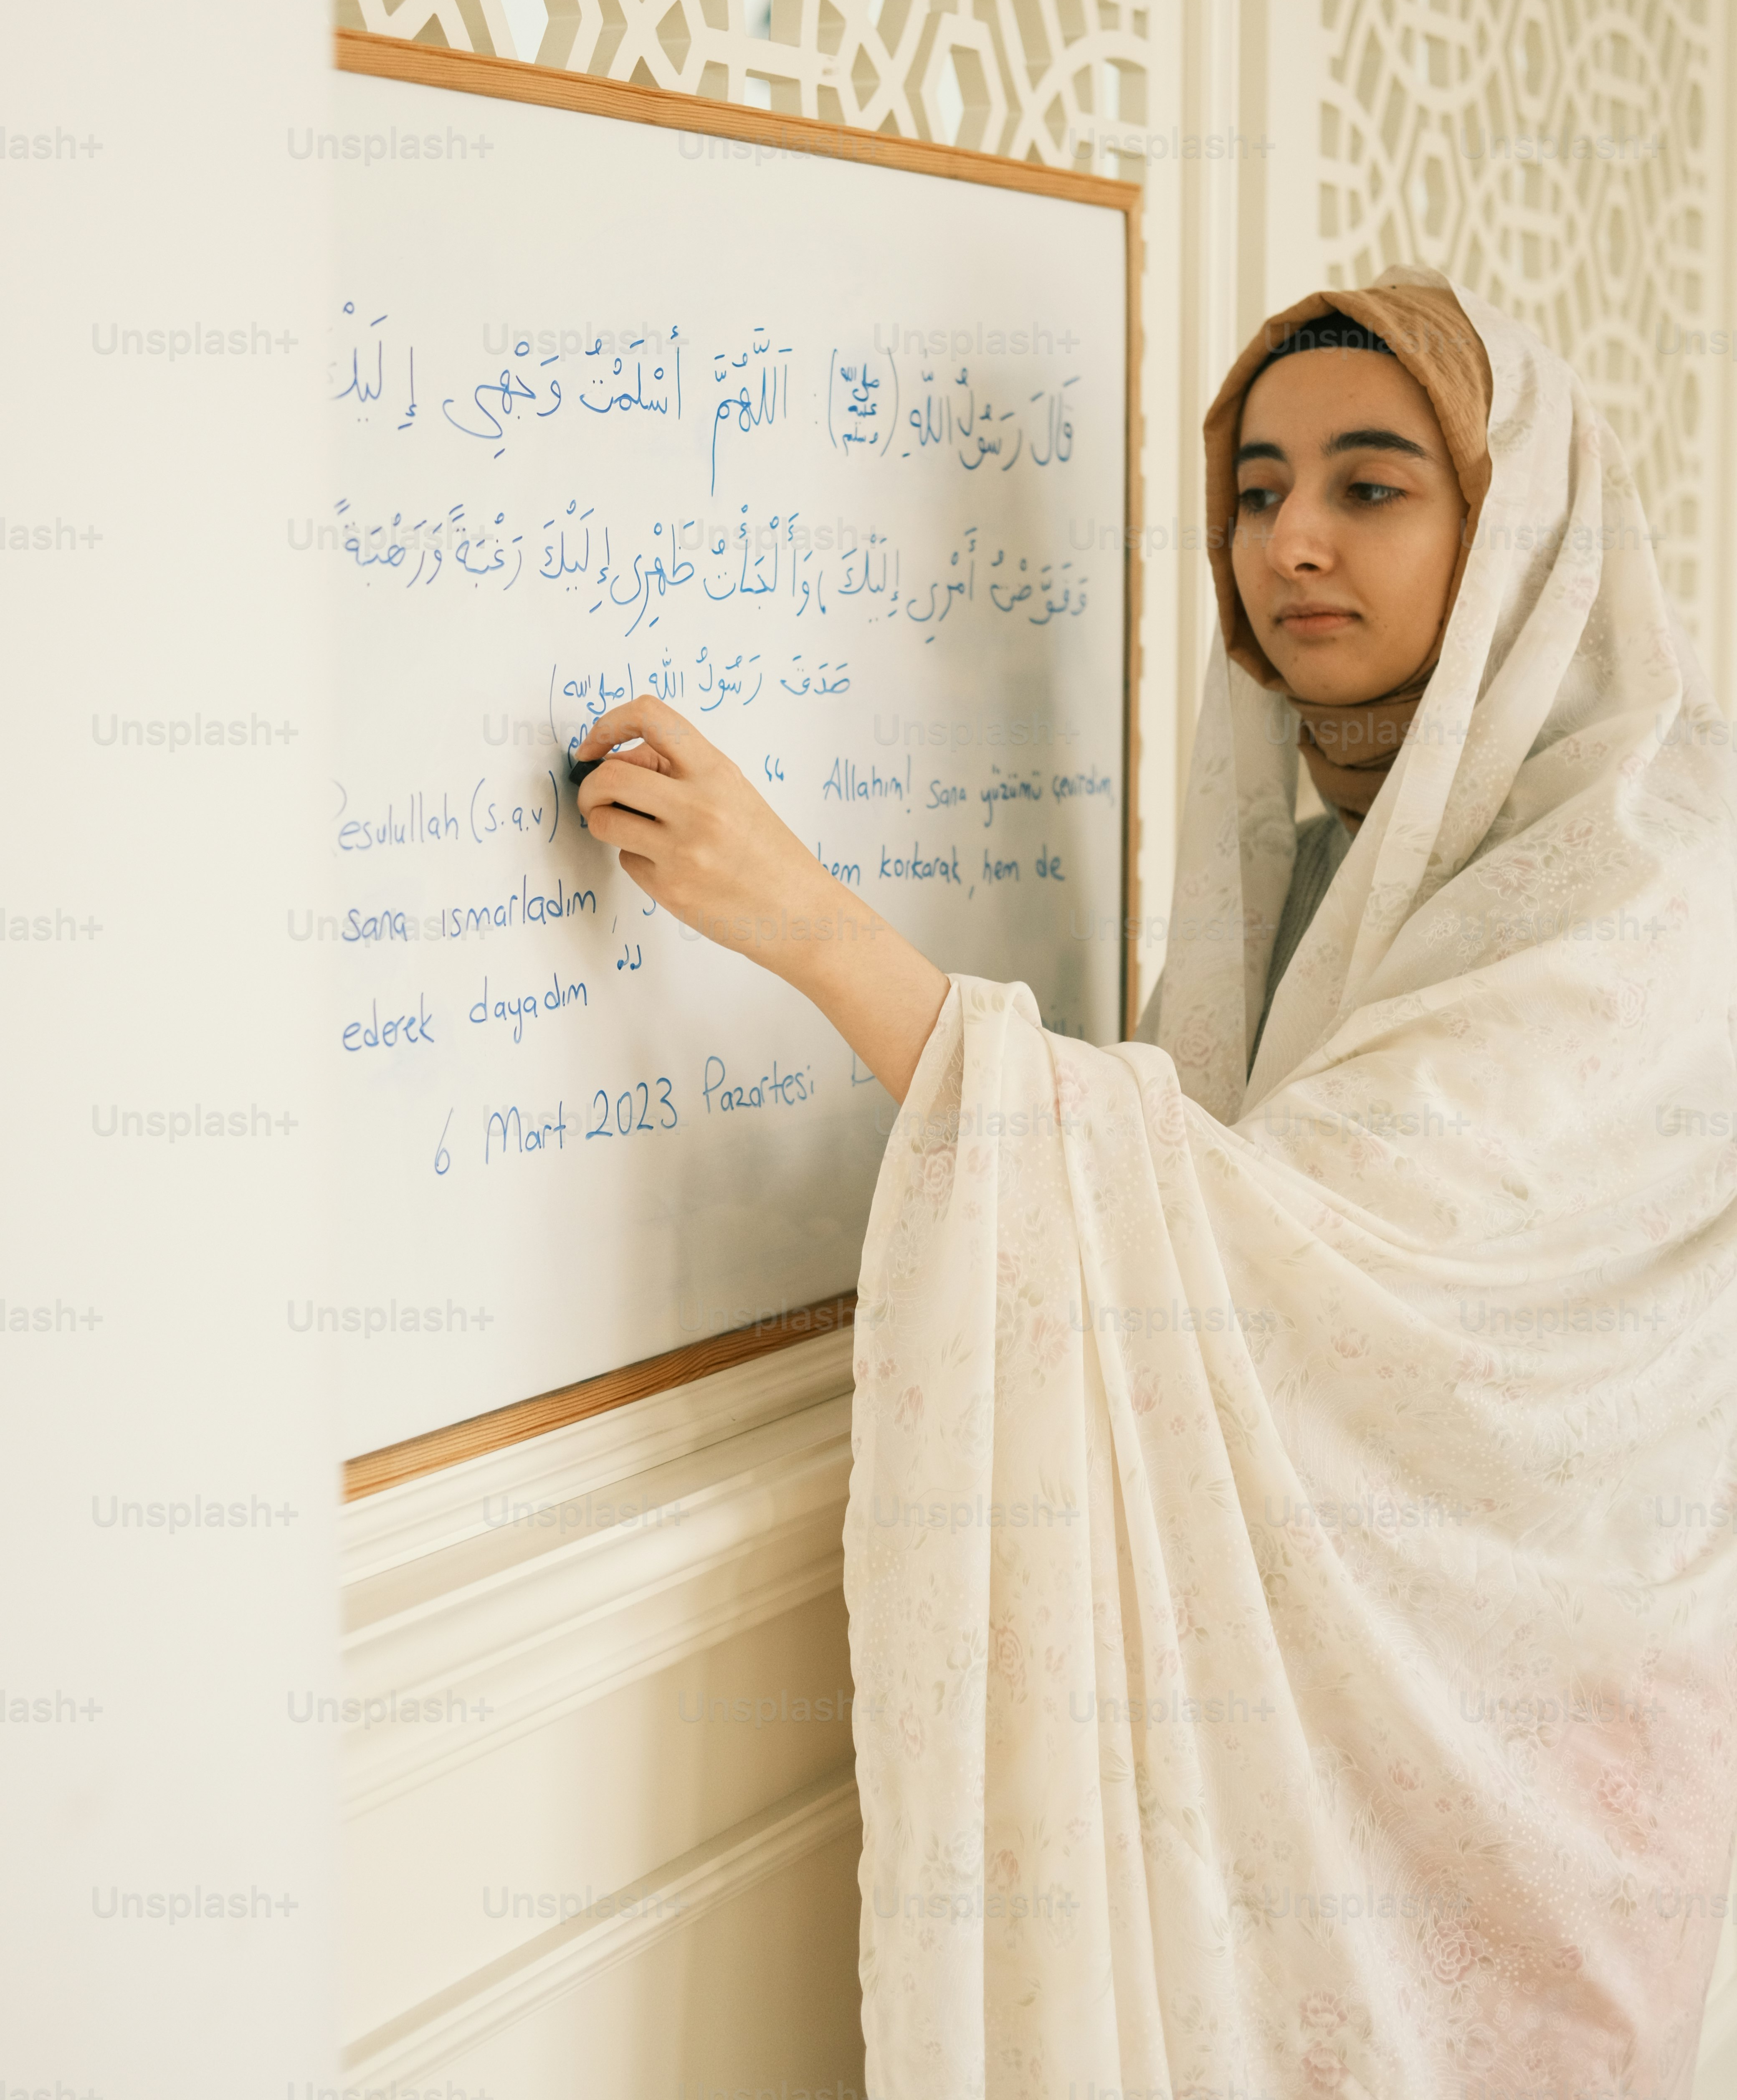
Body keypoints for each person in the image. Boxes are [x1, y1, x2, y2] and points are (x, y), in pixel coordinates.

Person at [570, 268, 1737, 2096]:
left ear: (1514, 522)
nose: (1292, 542)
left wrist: (807, 926)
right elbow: (1199, 1209)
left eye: (1372, 484)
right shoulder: (1314, 842)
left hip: (1549, 1763)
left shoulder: (1642, 873)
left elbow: (1303, 1252)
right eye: (1256, 493)